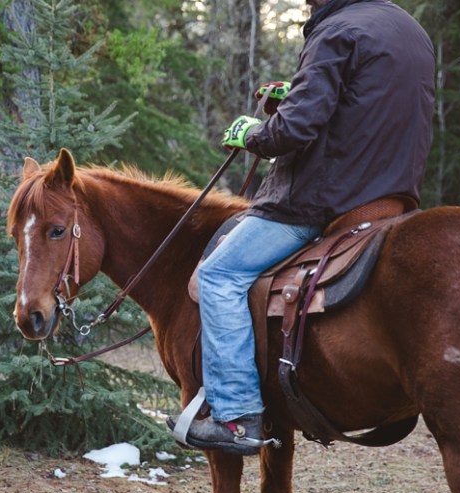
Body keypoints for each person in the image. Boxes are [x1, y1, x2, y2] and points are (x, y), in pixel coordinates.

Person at [169, 0, 435, 455]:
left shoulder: (335, 32)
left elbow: (292, 131)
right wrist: (294, 93)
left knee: (219, 276)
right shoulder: (411, 31)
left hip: (321, 202)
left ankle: (236, 418)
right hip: (393, 198)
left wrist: (251, 132)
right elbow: (362, 109)